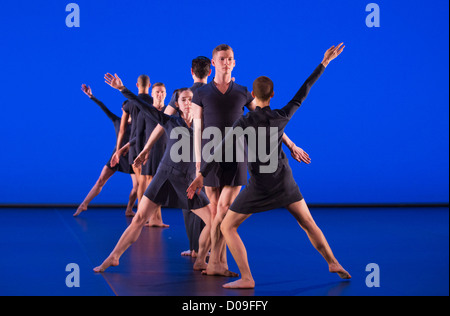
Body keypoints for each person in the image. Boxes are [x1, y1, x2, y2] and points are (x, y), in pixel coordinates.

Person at [187, 43, 351, 288]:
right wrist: (324, 62)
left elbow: (219, 150)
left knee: (228, 225)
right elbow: (303, 91)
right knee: (308, 223)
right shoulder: (281, 116)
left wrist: (201, 174)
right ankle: (332, 261)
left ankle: (246, 278)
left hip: (260, 188)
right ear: (272, 96)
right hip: (285, 184)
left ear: (252, 97)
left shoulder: (244, 122)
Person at [190, 44, 310, 276]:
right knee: (215, 212)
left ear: (234, 63)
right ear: (213, 63)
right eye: (222, 59)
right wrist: (198, 162)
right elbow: (197, 128)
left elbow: (266, 121)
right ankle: (214, 262)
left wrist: (292, 145)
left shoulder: (244, 92)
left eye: (230, 59)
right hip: (210, 156)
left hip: (236, 156)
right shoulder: (201, 93)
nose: (227, 62)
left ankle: (216, 263)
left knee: (224, 210)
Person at [94, 78, 222, 274]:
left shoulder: (202, 126)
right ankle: (114, 256)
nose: (189, 102)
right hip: (165, 176)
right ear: (177, 105)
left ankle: (201, 257)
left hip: (188, 182)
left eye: (191, 99)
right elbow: (144, 107)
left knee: (214, 220)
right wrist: (122, 89)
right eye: (184, 100)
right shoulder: (170, 121)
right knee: (139, 219)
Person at [130, 56, 213, 255]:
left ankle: (195, 249)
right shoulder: (213, 94)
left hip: (186, 155)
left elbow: (162, 123)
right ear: (210, 72)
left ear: (191, 72)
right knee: (205, 201)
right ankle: (206, 250)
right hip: (206, 152)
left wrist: (147, 147)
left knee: (190, 203)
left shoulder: (181, 94)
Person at [74, 84, 137, 217]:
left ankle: (129, 209)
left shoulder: (138, 125)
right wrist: (91, 96)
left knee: (137, 187)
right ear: (122, 109)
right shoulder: (117, 120)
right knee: (101, 180)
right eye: (126, 109)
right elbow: (104, 107)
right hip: (117, 155)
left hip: (132, 157)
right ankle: (84, 204)